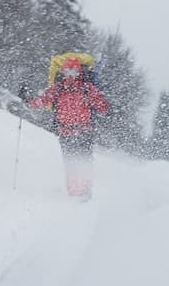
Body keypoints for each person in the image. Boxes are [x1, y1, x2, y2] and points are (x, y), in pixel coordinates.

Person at [27, 56, 109, 199]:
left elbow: (102, 105)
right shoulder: (59, 88)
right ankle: (73, 193)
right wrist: (29, 102)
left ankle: (85, 193)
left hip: (84, 132)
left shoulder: (86, 88)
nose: (70, 75)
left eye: (73, 72)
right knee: (70, 163)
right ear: (63, 72)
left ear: (79, 72)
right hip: (66, 132)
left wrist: (106, 109)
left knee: (84, 162)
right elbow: (44, 100)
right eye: (67, 72)